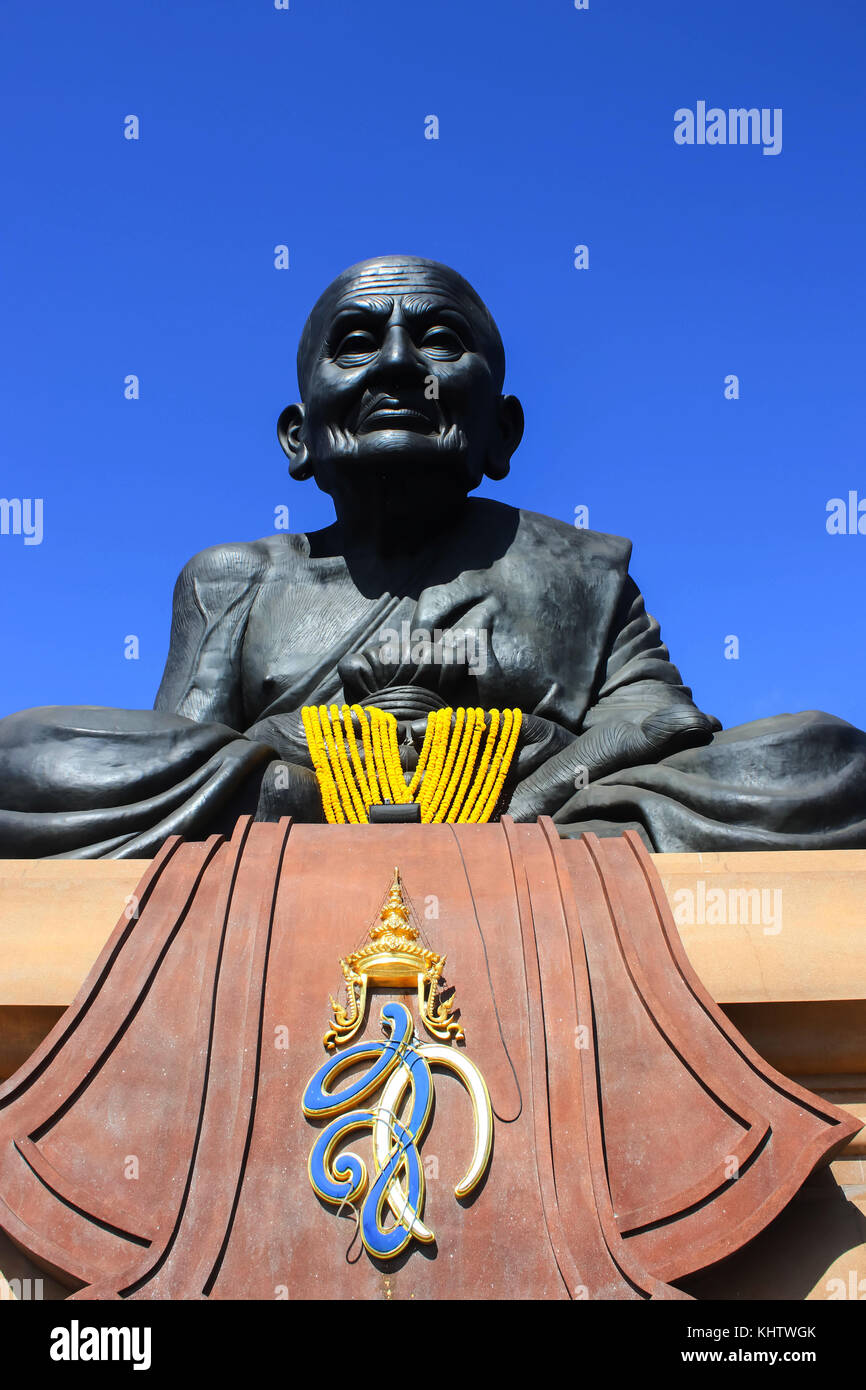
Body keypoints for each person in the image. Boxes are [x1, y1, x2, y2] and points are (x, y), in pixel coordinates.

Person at [2, 254, 864, 857]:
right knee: (28, 758)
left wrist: (535, 783)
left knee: (818, 759)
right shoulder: (233, 579)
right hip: (282, 806)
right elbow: (179, 763)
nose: (398, 366)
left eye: (441, 340)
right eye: (355, 343)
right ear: (297, 438)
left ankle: (521, 841)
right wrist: (290, 765)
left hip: (553, 821)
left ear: (504, 431)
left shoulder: (578, 571)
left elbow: (665, 731)